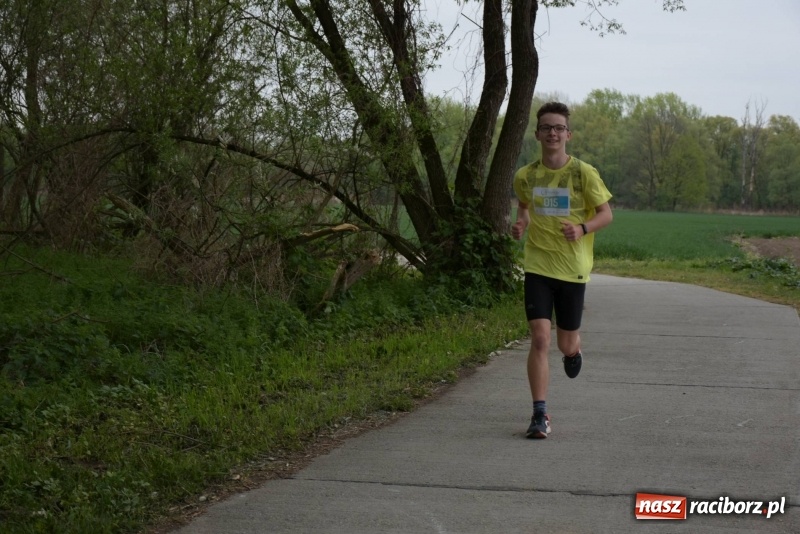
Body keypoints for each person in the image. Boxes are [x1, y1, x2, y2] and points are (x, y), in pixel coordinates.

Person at [510, 101, 613, 439]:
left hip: (572, 270)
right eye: (546, 128)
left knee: (564, 343)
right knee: (540, 338)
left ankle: (574, 350)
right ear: (537, 134)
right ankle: (540, 415)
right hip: (538, 265)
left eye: (558, 128)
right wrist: (521, 223)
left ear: (568, 134)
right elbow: (524, 206)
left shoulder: (583, 173)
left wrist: (582, 229)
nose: (552, 133)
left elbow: (606, 214)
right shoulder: (526, 176)